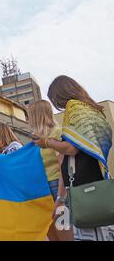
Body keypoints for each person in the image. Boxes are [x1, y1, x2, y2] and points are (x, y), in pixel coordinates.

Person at [33, 75, 113, 241]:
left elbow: (71, 149)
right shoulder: (91, 109)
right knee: (97, 227)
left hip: (78, 182)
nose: (56, 104)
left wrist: (47, 142)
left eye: (54, 98)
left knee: (77, 229)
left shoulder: (74, 108)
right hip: (95, 175)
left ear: (60, 94)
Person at [28, 100, 73, 241]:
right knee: (52, 235)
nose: (28, 120)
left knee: (64, 234)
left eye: (29, 115)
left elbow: (63, 167)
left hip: (57, 187)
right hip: (43, 190)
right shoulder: (38, 141)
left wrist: (61, 198)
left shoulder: (57, 133)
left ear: (37, 116)